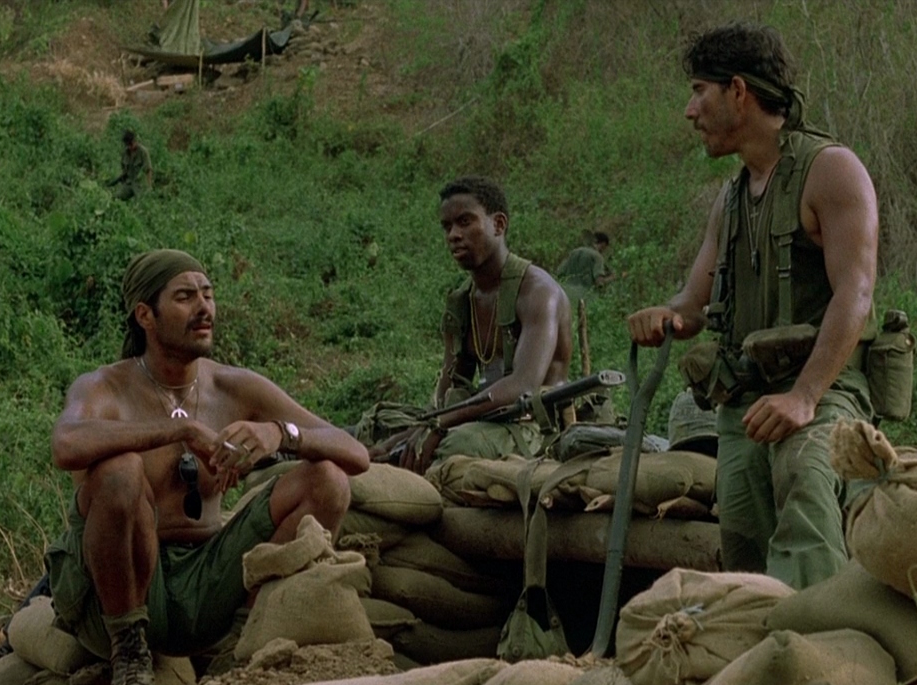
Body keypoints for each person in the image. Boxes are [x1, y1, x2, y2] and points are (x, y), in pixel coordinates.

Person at [45, 249, 368, 685]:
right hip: (126, 589)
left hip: (210, 578)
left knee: (328, 480)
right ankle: (130, 653)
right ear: (145, 315)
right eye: (185, 297)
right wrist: (181, 430)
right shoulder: (104, 386)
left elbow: (354, 452)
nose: (204, 308)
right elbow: (66, 444)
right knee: (119, 471)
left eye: (208, 294)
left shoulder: (232, 386)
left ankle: (244, 642)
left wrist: (280, 434)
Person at [626, 22, 879, 590]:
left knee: (805, 475)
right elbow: (693, 303)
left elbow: (855, 294)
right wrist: (666, 317)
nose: (690, 111)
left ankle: (820, 633)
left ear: (737, 91)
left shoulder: (831, 170)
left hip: (825, 390)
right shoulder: (732, 196)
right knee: (741, 531)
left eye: (699, 91)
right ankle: (763, 632)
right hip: (747, 403)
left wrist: (805, 397)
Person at [375, 176, 573, 474]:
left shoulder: (537, 292)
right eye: (447, 227)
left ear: (498, 224)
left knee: (453, 448)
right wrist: (411, 433)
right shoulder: (462, 301)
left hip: (534, 426)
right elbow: (451, 387)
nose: (454, 235)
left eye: (465, 222)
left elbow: (523, 386)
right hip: (480, 419)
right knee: (378, 430)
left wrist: (440, 425)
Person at [555, 230, 618, 300]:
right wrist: (612, 278)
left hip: (565, 294)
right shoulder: (597, 257)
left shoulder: (574, 252)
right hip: (585, 296)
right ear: (603, 244)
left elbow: (559, 272)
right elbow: (599, 282)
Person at [109, 129, 153, 201]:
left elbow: (148, 170)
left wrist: (149, 187)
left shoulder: (143, 152)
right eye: (128, 145)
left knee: (141, 202)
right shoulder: (125, 153)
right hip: (129, 183)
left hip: (139, 185)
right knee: (115, 198)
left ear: (135, 141)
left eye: (131, 144)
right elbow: (124, 170)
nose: (130, 147)